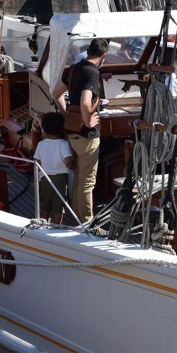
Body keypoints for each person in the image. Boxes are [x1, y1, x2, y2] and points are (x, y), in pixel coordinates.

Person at [64, 37, 107, 223]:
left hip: (71, 131)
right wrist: (89, 120)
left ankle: (77, 217)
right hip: (86, 135)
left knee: (79, 177)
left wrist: (66, 113)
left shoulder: (73, 69)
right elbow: (85, 101)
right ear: (103, 56)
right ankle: (88, 223)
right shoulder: (92, 73)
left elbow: (56, 93)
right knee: (88, 181)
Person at [34, 112, 75, 226]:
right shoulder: (63, 144)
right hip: (60, 179)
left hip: (45, 178)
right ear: (61, 129)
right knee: (58, 206)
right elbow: (67, 161)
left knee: (45, 205)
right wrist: (72, 162)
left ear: (45, 130)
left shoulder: (41, 144)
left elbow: (37, 162)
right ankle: (56, 228)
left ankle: (42, 225)